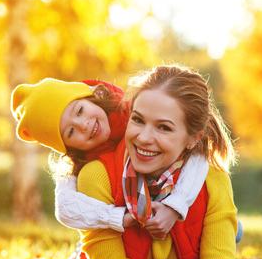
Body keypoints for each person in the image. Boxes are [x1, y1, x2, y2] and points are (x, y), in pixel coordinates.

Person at [72, 65, 238, 259]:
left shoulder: (213, 179)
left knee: (229, 230)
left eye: (164, 127)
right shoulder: (97, 176)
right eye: (138, 120)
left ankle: (234, 231)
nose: (144, 138)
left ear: (193, 138)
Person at [11, 78, 209, 239]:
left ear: (91, 97)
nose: (84, 125)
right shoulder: (78, 165)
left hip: (177, 204)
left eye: (80, 111)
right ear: (68, 148)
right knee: (90, 177)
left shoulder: (134, 112)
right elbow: (65, 207)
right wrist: (116, 217)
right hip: (135, 227)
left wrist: (175, 206)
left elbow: (199, 153)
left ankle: (221, 228)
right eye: (71, 132)